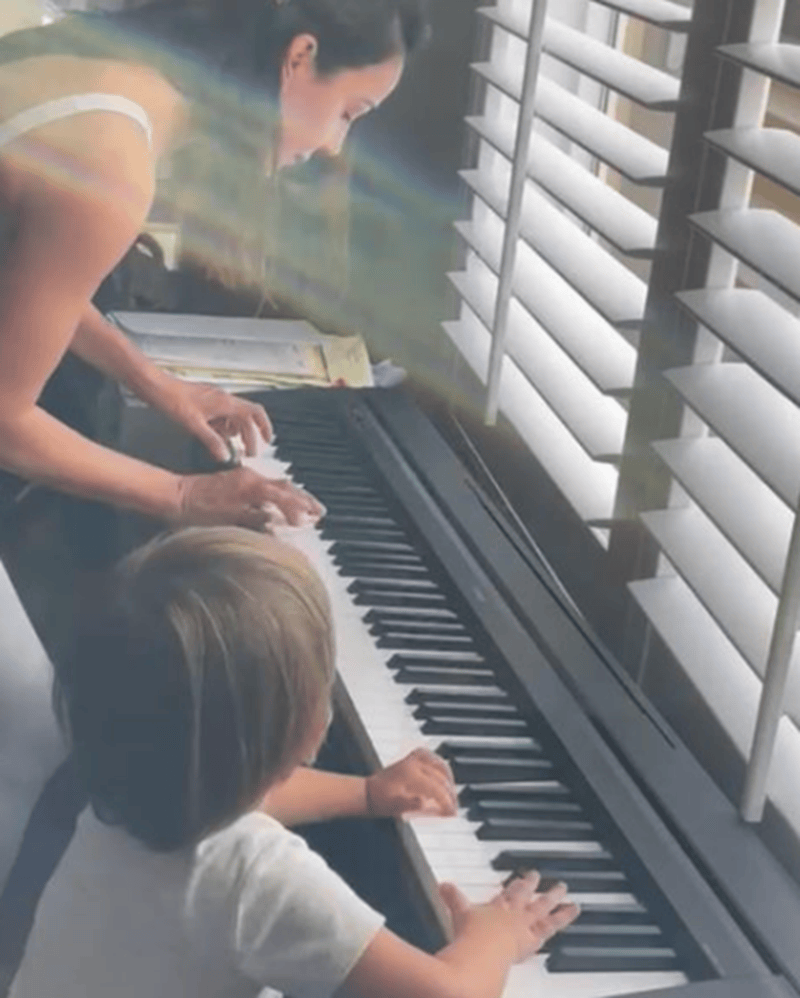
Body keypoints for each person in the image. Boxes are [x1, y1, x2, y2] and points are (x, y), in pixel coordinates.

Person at [8, 525, 579, 998]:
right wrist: (497, 935)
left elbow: (250, 794)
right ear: (306, 730)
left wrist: (367, 793)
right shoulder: (257, 876)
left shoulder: (119, 795)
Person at [0, 0, 425, 532]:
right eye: (349, 112)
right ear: (300, 56)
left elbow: (37, 288)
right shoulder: (111, 164)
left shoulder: (112, 76)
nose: (334, 145)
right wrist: (182, 494)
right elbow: (4, 421)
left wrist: (159, 386)